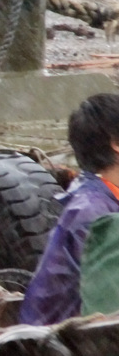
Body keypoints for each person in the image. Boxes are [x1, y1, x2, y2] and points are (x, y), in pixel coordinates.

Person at [19, 93, 119, 325]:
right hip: (65, 343)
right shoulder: (91, 212)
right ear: (116, 143)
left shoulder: (103, 196)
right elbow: (107, 303)